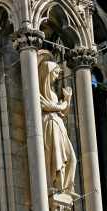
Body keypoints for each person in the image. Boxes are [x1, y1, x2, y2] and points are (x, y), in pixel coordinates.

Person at [38, 59, 76, 194]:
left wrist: (67, 100)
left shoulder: (53, 93)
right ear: (47, 73)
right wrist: (63, 104)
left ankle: (67, 187)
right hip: (51, 125)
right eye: (54, 73)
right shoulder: (40, 93)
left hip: (59, 125)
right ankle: (57, 186)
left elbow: (62, 112)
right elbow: (47, 106)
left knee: (72, 158)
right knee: (57, 158)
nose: (56, 77)